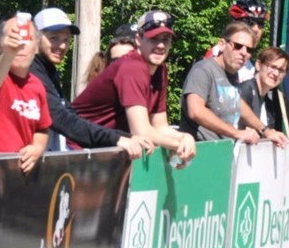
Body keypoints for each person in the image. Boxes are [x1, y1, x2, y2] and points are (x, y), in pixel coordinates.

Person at [71, 10, 196, 164]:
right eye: (153, 39)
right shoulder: (132, 67)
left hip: (105, 148)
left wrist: (185, 137)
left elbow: (160, 126)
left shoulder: (160, 70)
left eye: (166, 39)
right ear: (138, 39)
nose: (160, 45)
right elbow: (142, 131)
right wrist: (178, 146)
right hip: (75, 146)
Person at [27, 8, 147, 158]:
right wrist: (117, 139)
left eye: (66, 39)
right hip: (22, 163)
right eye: (54, 38)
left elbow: (72, 117)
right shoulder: (30, 73)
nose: (62, 46)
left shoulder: (48, 72)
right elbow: (61, 120)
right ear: (35, 37)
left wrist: (124, 137)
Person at [180, 21, 287, 147]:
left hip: (223, 151)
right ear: (222, 44)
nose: (244, 53)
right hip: (201, 151)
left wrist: (265, 130)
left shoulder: (232, 75)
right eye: (238, 46)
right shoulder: (203, 70)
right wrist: (237, 133)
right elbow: (195, 111)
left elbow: (237, 103)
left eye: (249, 49)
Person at [0, 15, 52, 174]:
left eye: (27, 38)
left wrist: (37, 148)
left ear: (36, 46)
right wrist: (8, 54)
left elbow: (42, 129)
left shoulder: (38, 86)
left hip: (19, 182)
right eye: (12, 38)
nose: (20, 44)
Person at [240, 46, 289, 135]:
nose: (276, 73)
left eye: (281, 70)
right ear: (258, 65)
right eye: (272, 67)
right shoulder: (245, 89)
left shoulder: (269, 104)